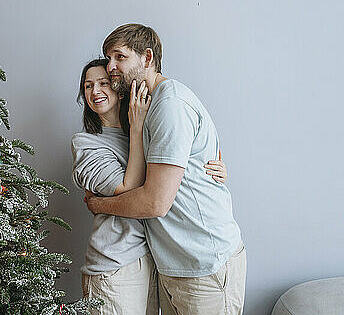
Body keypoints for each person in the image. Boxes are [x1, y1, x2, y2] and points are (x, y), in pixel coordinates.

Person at [85, 24, 246, 315]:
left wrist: (99, 203)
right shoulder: (146, 107)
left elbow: (155, 202)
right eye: (108, 58)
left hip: (203, 265)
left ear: (147, 58)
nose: (110, 67)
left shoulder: (170, 104)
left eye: (120, 57)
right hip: (173, 265)